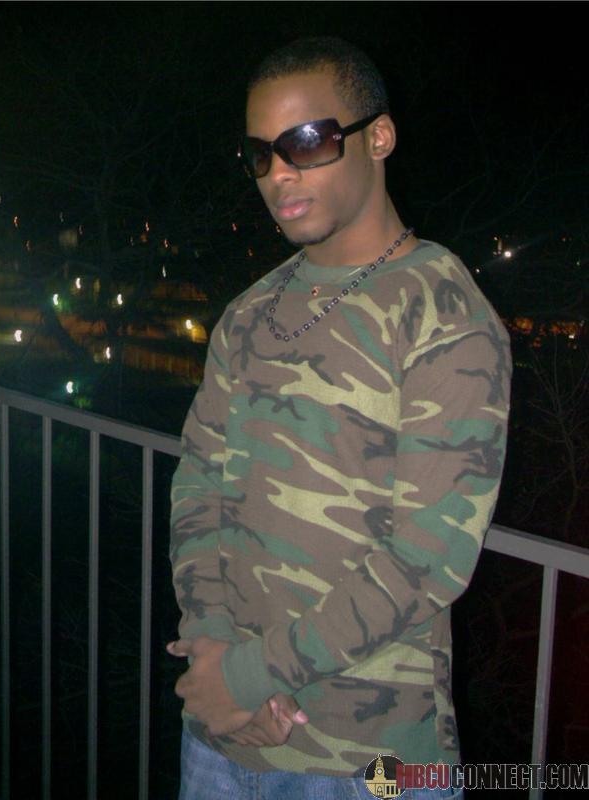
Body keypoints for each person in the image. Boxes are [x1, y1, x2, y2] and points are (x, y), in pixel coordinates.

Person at [167, 36, 511, 800]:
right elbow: (198, 481)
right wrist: (215, 654)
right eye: (261, 155)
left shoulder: (443, 313)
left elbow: (426, 560)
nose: (280, 174)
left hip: (366, 762)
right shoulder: (249, 313)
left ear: (377, 137)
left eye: (308, 142)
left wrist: (247, 677)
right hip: (223, 736)